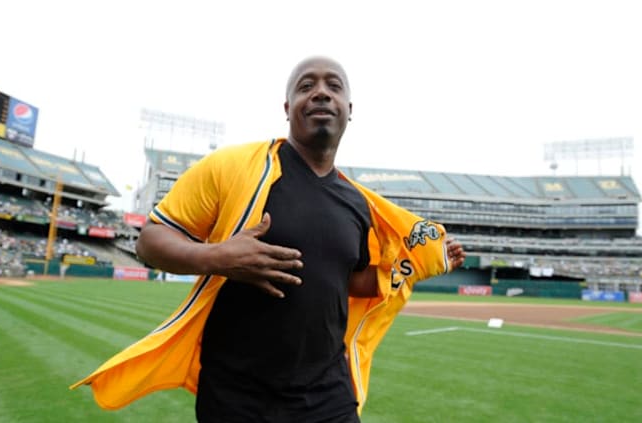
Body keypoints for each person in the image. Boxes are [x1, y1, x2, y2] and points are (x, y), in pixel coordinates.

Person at [71, 56, 466, 422]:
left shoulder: (358, 205)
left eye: (334, 86)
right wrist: (217, 257)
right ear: (287, 107)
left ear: (349, 109)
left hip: (329, 396)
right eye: (306, 85)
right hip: (237, 397)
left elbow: (347, 281)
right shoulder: (232, 167)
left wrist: (420, 266)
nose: (321, 92)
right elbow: (150, 240)